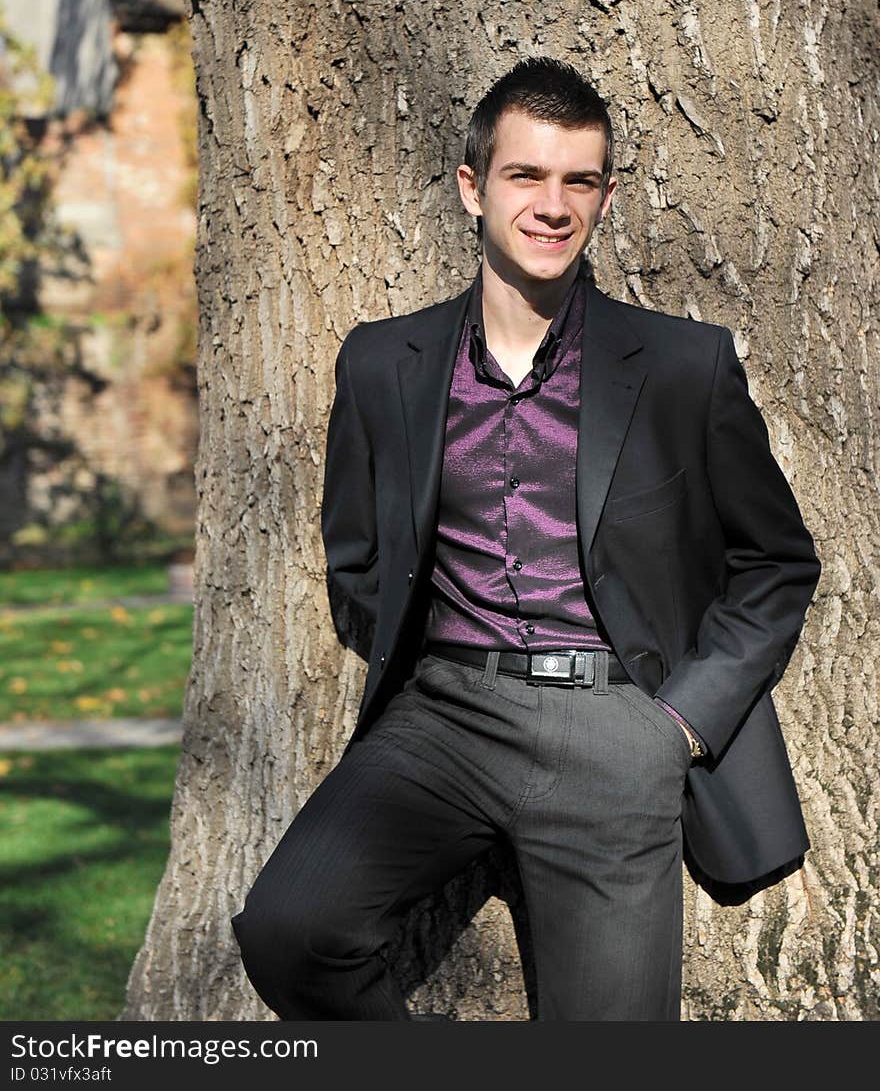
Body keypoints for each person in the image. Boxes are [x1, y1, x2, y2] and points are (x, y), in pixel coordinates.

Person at [231, 56, 821, 1021]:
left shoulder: (681, 365)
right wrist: (431, 657)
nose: (553, 205)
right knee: (290, 933)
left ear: (606, 194)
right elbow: (358, 559)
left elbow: (777, 562)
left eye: (579, 181)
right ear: (472, 186)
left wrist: (674, 726)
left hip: (619, 729)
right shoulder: (385, 361)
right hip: (441, 719)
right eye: (525, 175)